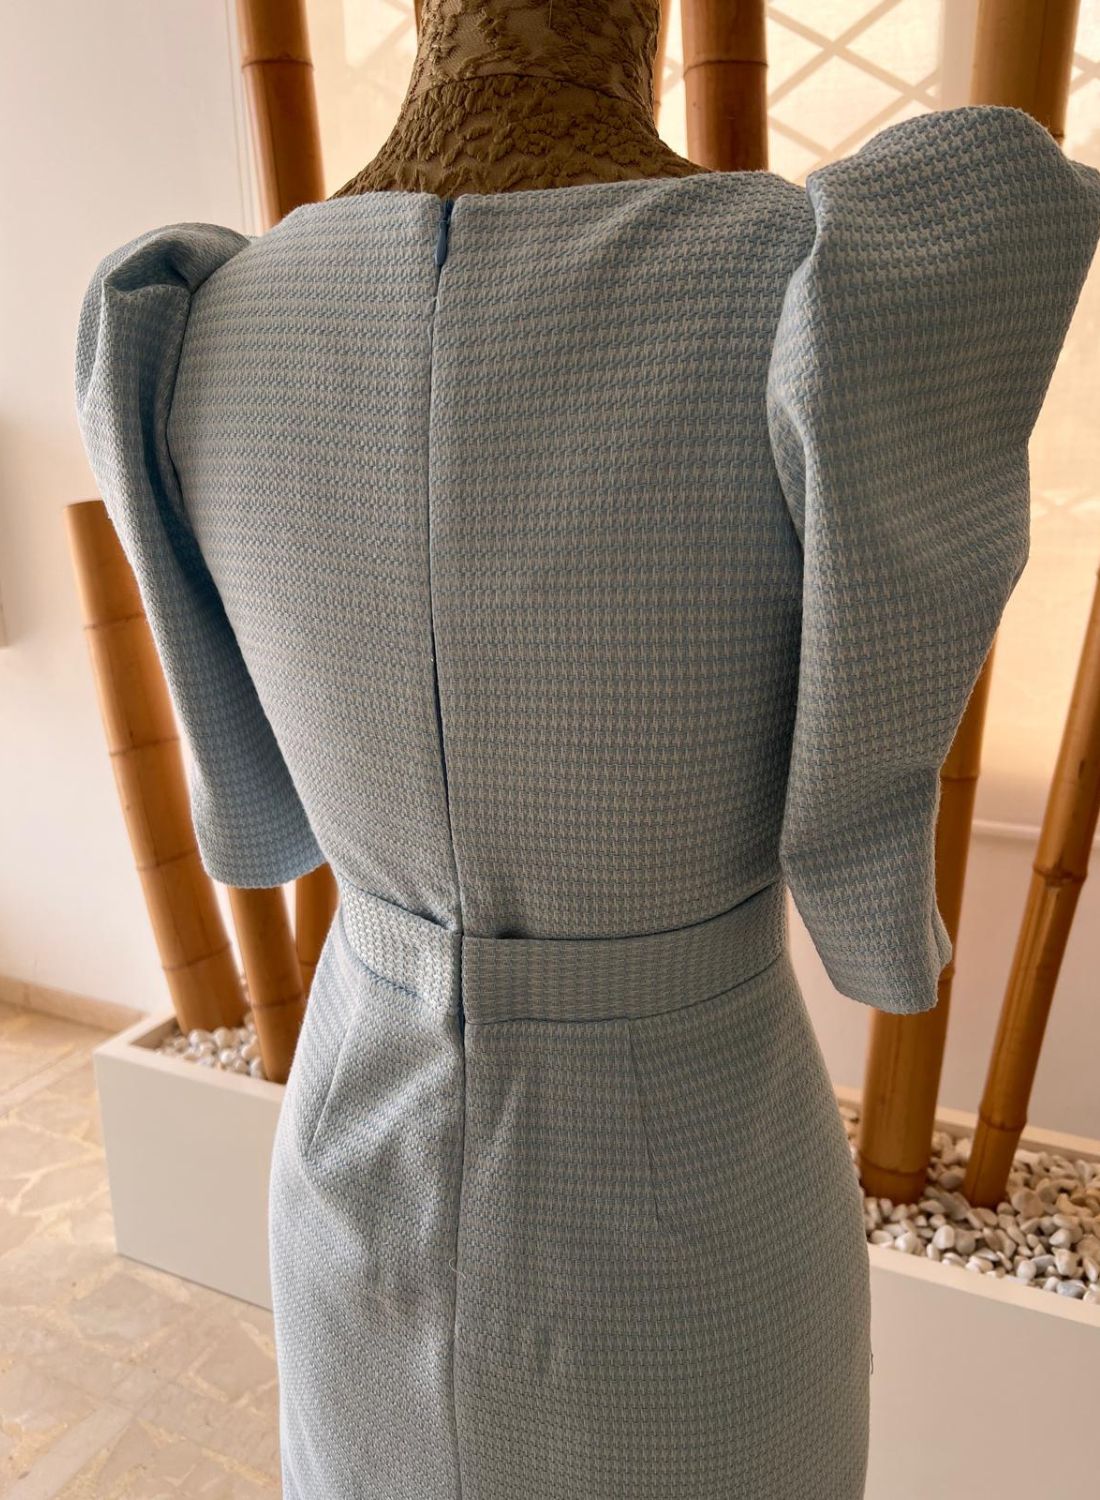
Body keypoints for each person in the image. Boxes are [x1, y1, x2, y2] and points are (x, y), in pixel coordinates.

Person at [73, 2, 1100, 1494]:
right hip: (695, 1182)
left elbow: (258, 796)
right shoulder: (806, 289)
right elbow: (869, 760)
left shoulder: (201, 324)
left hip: (360, 1157)